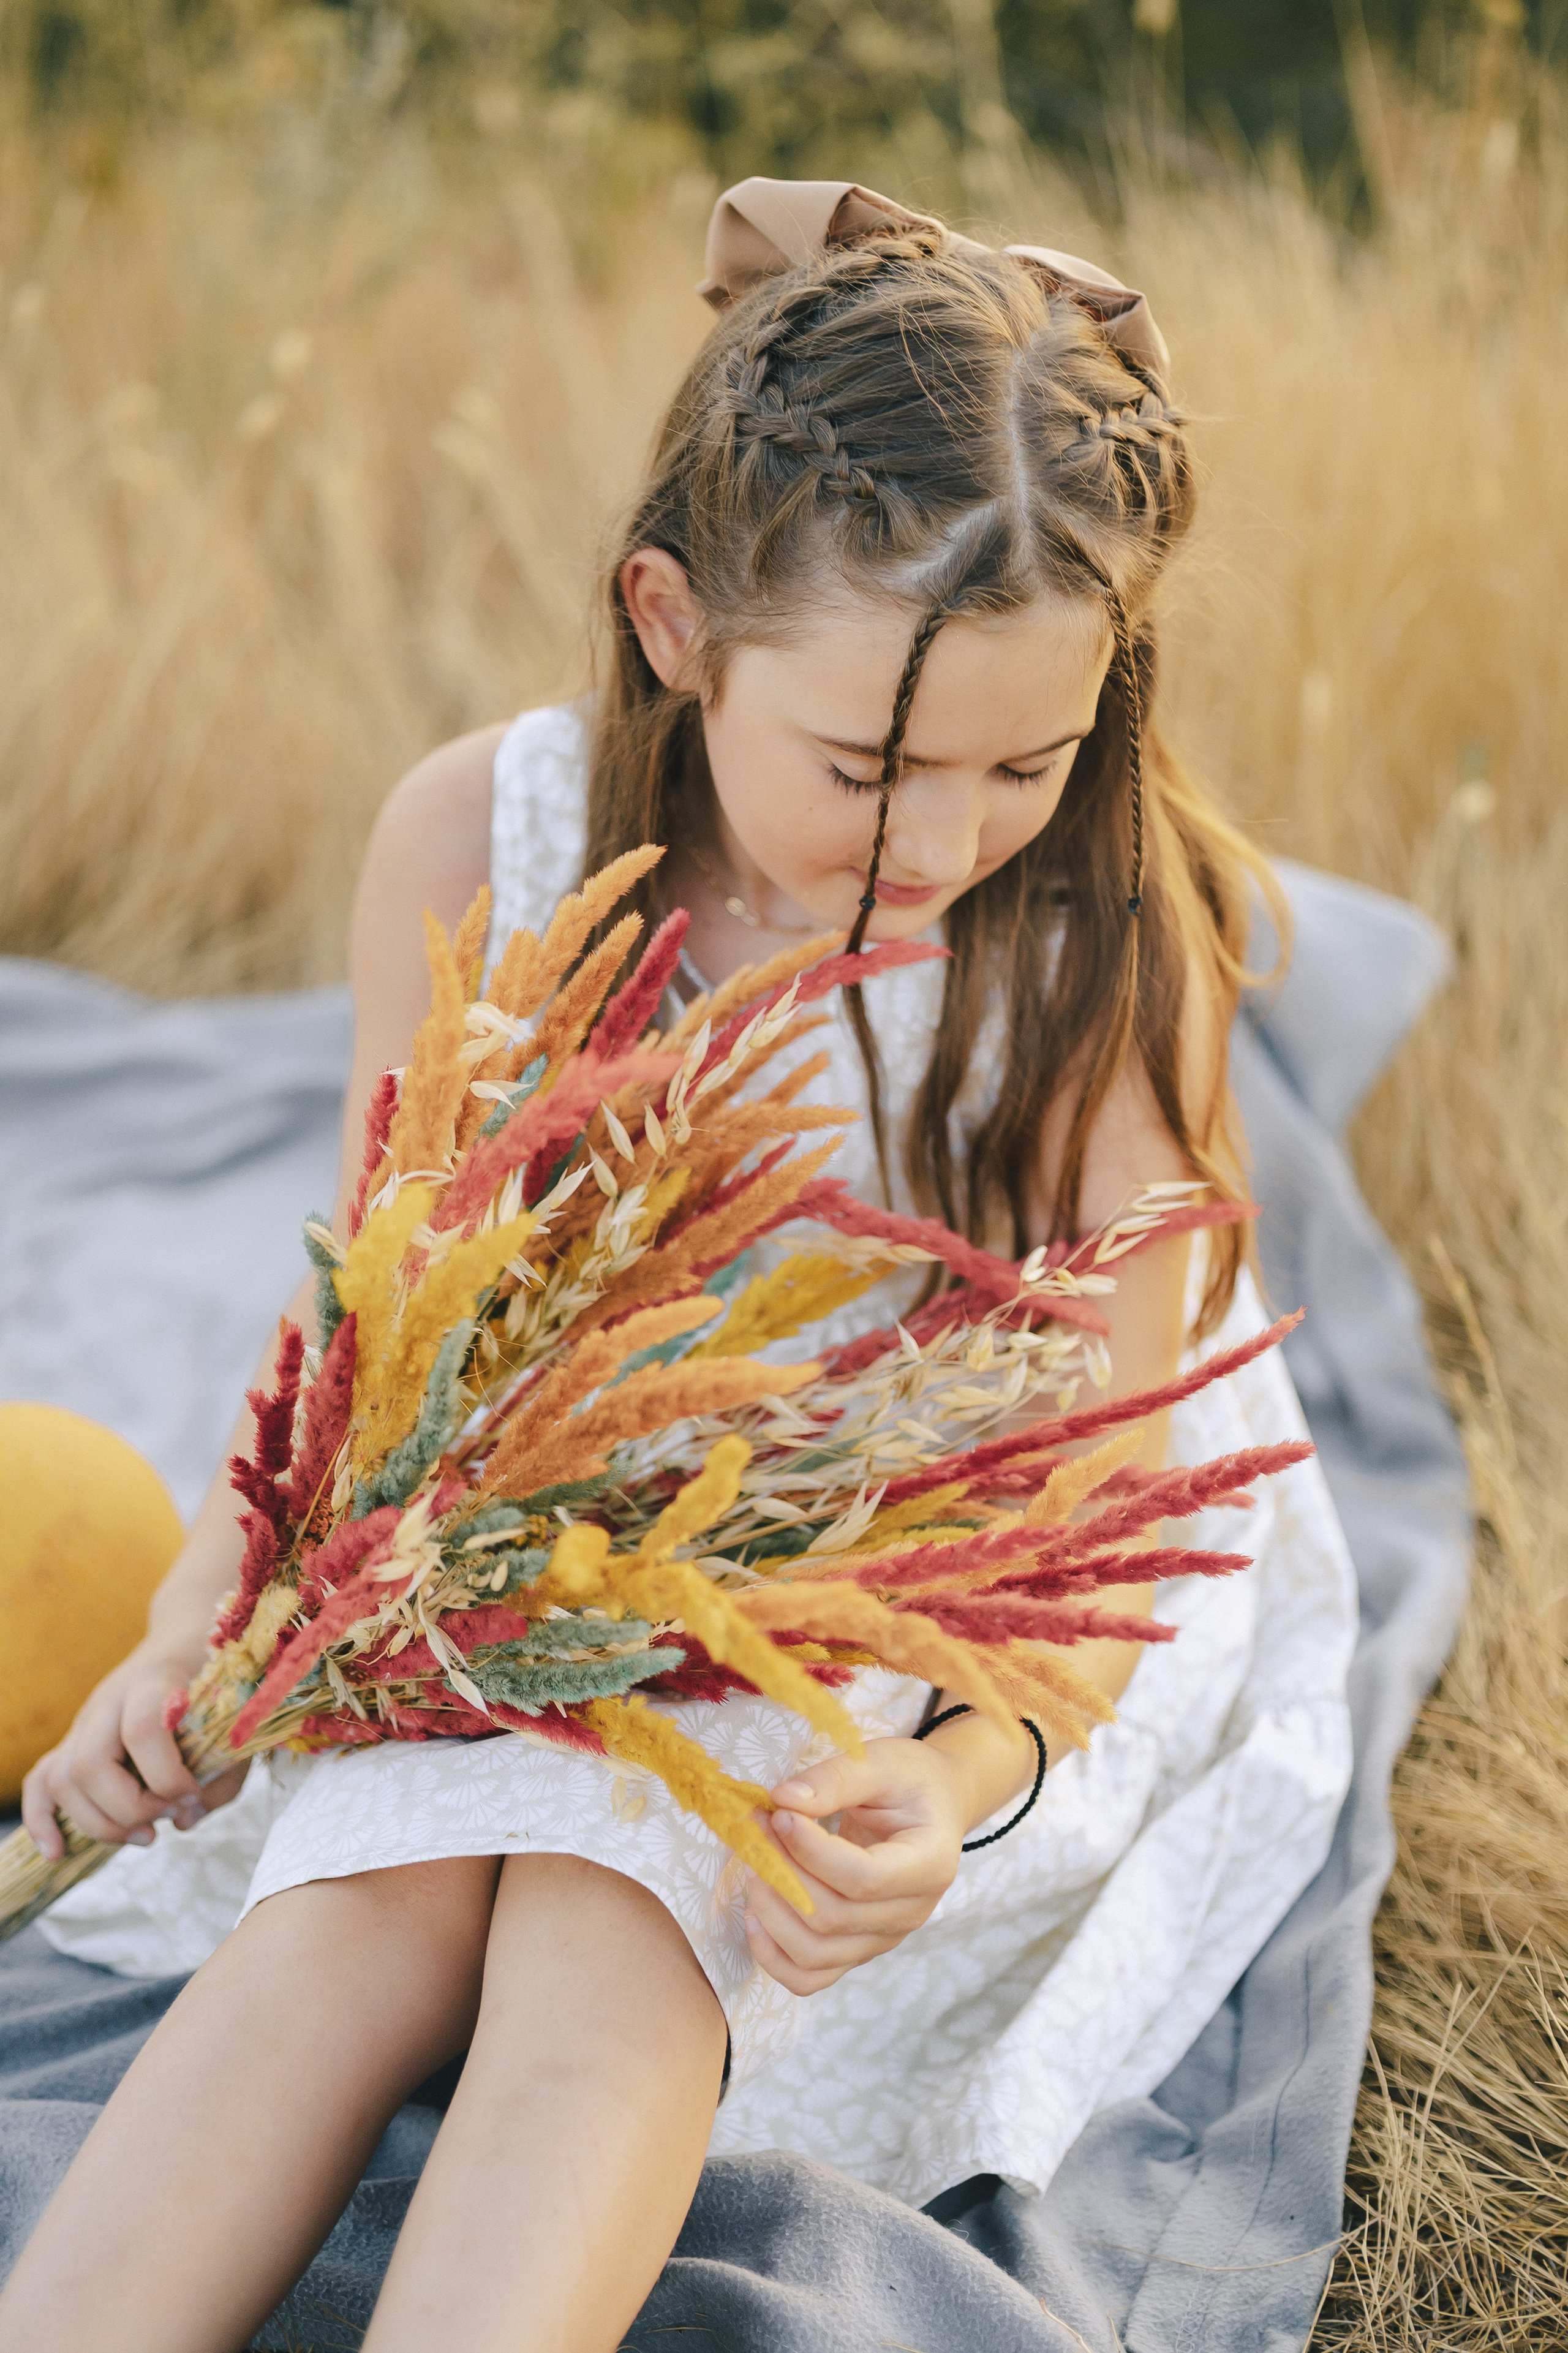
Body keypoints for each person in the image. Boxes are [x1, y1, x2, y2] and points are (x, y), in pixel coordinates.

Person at [1, 180, 1355, 2353]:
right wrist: (195, 1629)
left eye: (1030, 762)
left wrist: (960, 1771)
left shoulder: (1097, 946)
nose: (939, 844)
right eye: (868, 766)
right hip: (544, 1491)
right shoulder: (492, 844)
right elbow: (378, 1305)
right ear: (669, 620)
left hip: (929, 1563)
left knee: (620, 1907)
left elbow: (1091, 1481)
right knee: (363, 1892)